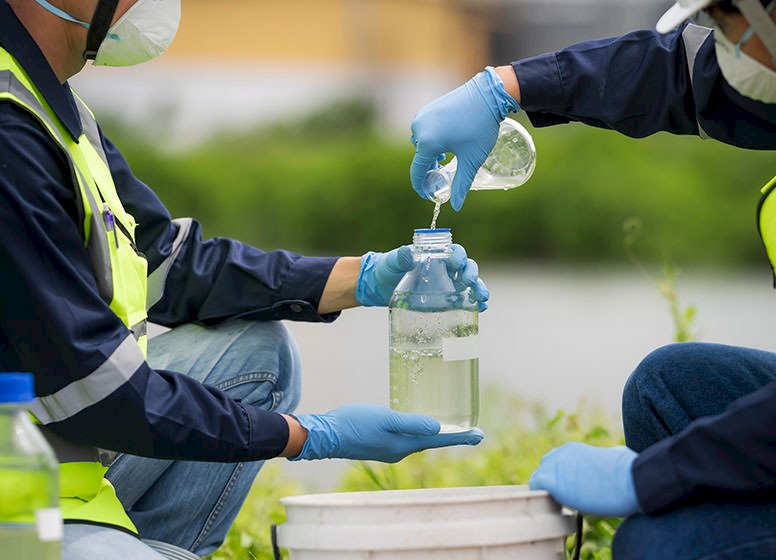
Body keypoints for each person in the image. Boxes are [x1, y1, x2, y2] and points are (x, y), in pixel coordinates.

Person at [0, 0, 490, 558]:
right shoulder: (8, 127)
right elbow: (102, 391)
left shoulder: (51, 103)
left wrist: (370, 277)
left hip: (65, 461)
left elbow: (172, 264)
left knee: (255, 349)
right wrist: (306, 436)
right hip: (17, 497)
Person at [409, 0, 776, 557]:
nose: (722, 47)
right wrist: (507, 86)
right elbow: (677, 75)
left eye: (728, 27)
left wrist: (653, 477)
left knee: (656, 547)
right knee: (668, 384)